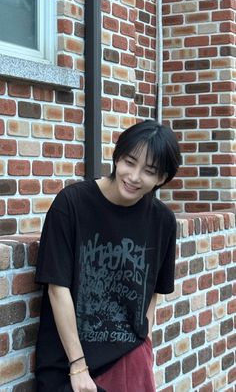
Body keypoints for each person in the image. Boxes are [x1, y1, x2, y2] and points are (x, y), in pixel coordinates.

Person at [35, 119, 181, 392]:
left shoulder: (162, 221)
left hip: (128, 360)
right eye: (129, 162)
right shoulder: (72, 204)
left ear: (162, 178)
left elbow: (153, 291)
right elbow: (57, 288)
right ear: (117, 157)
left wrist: (144, 347)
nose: (134, 176)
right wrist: (78, 366)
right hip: (69, 364)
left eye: (149, 171)